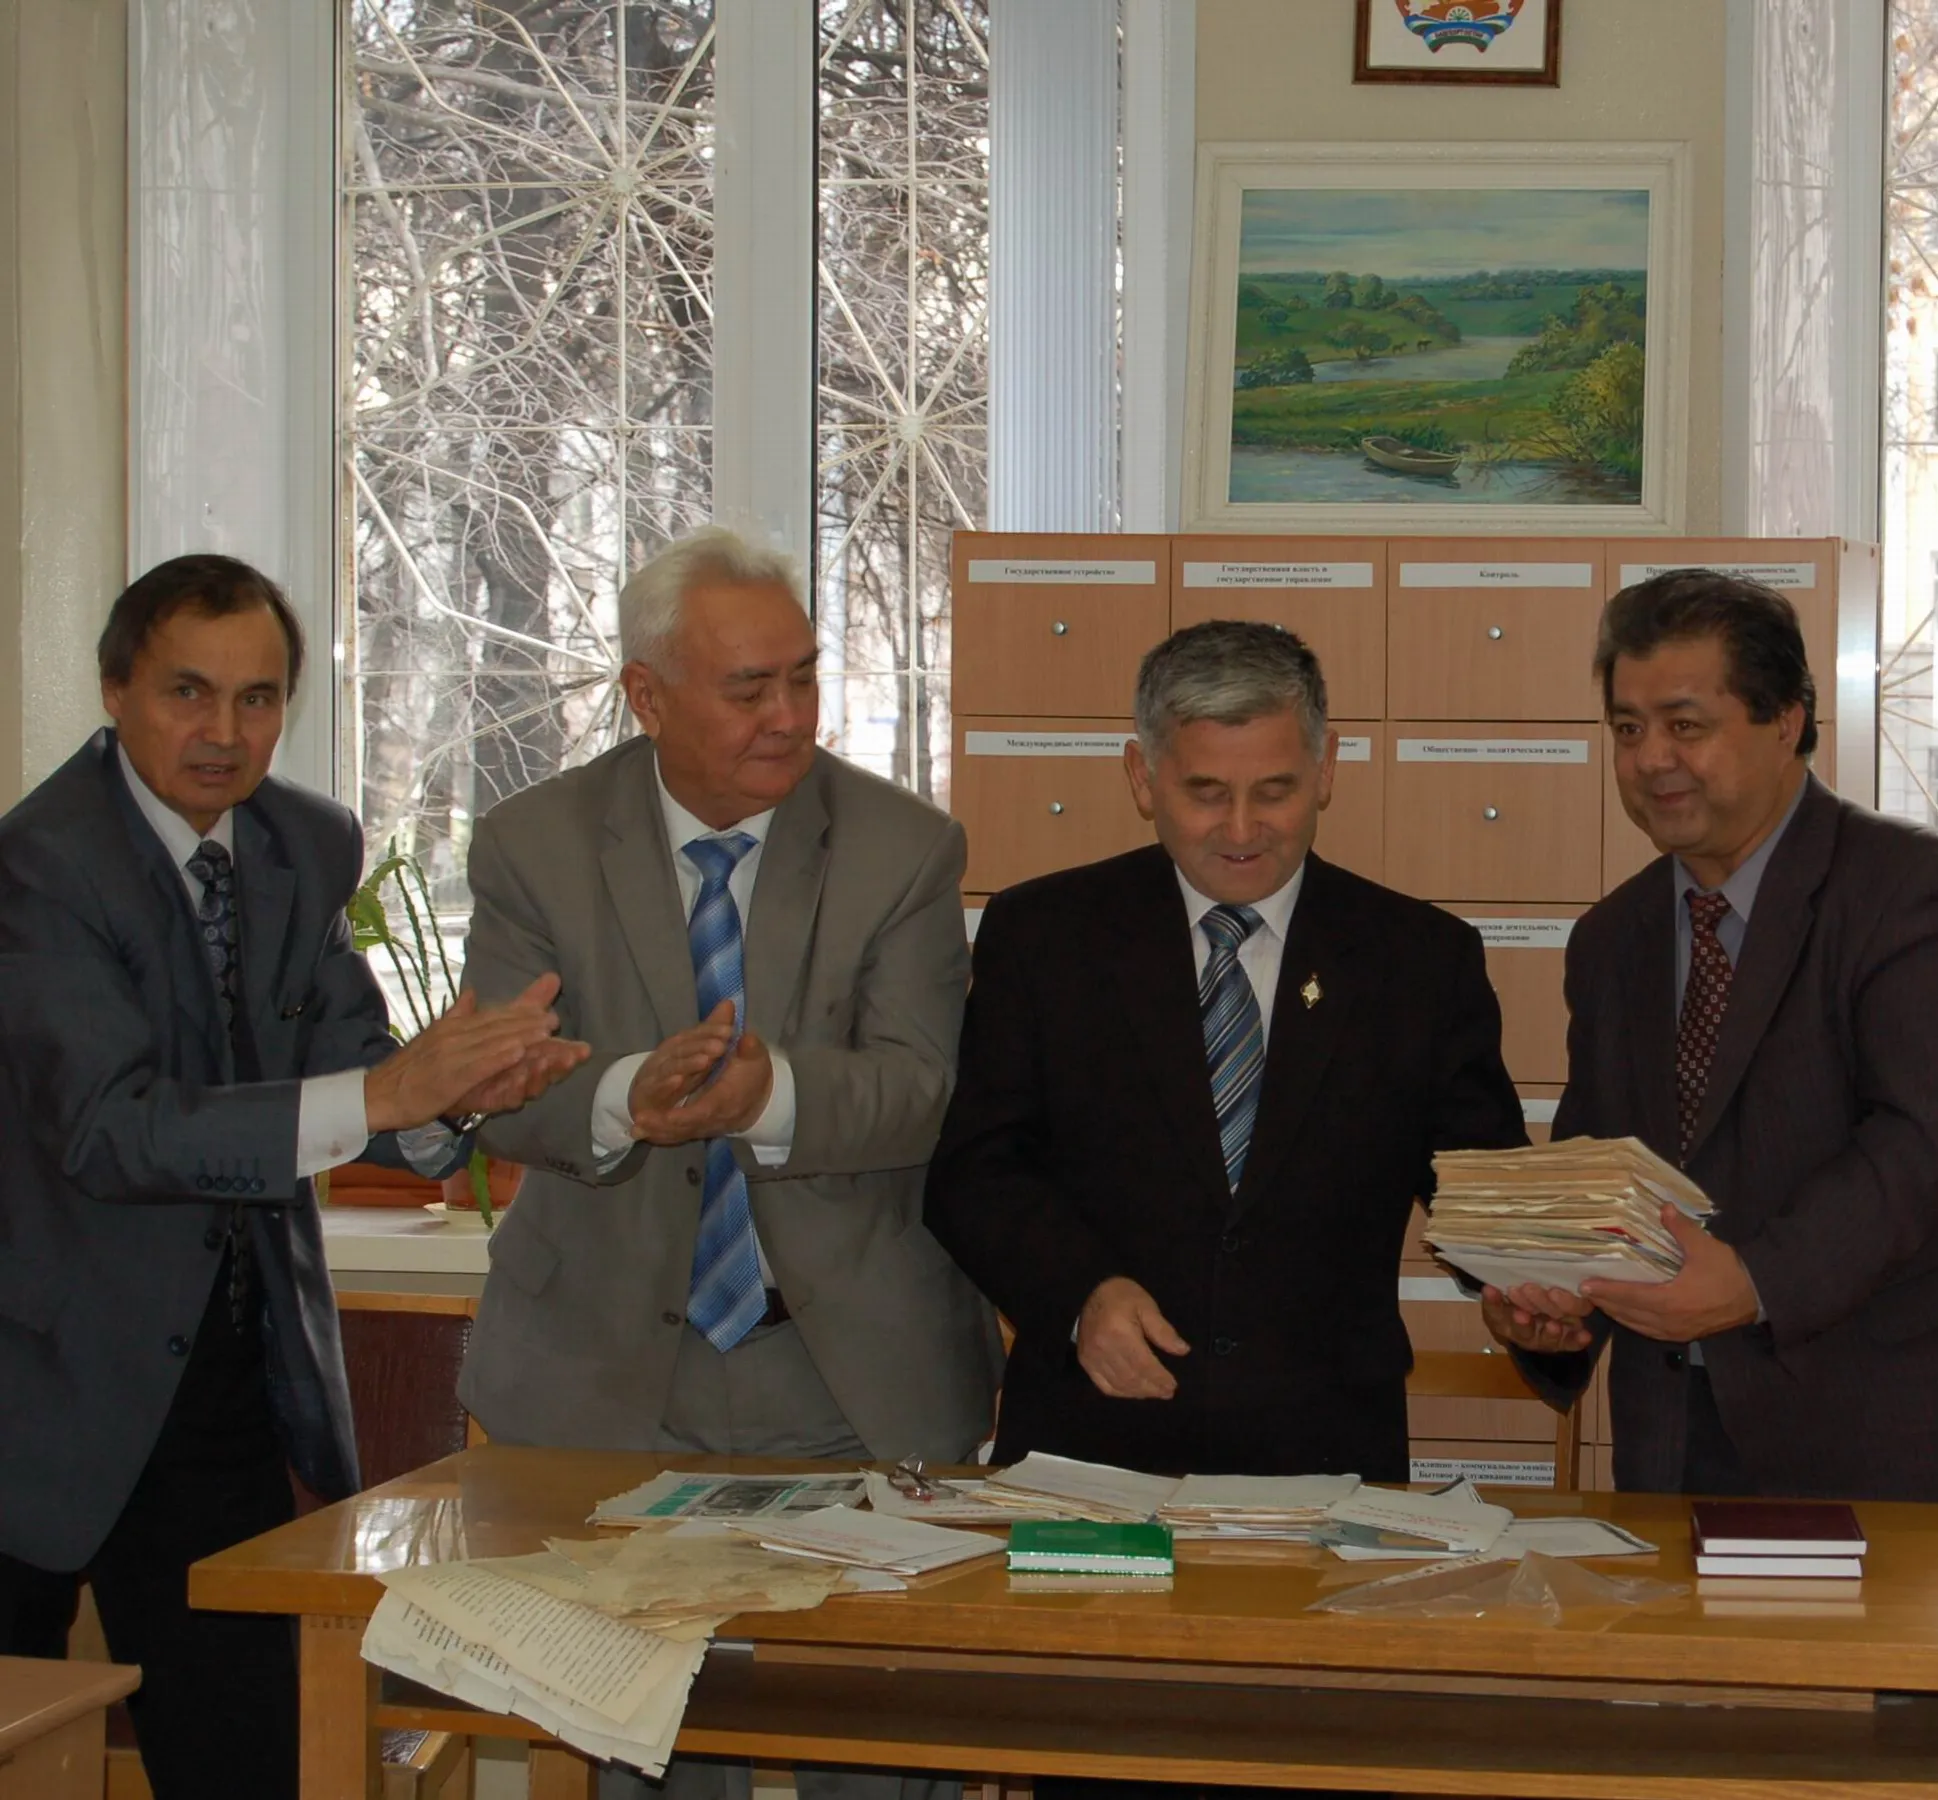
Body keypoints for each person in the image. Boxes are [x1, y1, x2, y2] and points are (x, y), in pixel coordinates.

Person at [0, 555, 585, 1799]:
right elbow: (111, 1132)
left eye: (258, 699)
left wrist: (456, 1097)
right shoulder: (41, 862)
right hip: (36, 1386)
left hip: (222, 1380)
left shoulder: (304, 843)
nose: (225, 733)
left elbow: (351, 1070)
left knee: (252, 1758)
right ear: (114, 690)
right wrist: (387, 1095)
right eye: (188, 693)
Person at [455, 526, 1000, 1800]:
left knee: (875, 1758)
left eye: (803, 677)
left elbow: (925, 1087)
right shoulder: (533, 846)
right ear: (645, 697)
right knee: (648, 1758)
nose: (788, 715)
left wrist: (771, 1096)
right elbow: (492, 1089)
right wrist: (620, 1099)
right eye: (749, 688)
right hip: (603, 1386)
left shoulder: (902, 848)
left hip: (846, 1382)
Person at [1475, 569, 1938, 1502]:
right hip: (1681, 1451)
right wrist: (1557, 1306)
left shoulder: (1917, 892)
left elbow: (1929, 1140)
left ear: (1786, 720)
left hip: (1902, 1444)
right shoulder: (1613, 939)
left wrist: (1753, 1280)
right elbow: (1606, 1168)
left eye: (1685, 725)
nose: (1650, 760)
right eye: (1627, 729)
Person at [927, 620, 1527, 1483]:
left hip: (1324, 1452)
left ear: (1326, 770)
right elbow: (975, 1174)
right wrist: (1079, 1295)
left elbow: (1482, 1187)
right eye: (1205, 792)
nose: (1241, 828)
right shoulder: (1044, 937)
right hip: (1091, 1443)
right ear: (1142, 777)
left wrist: (1538, 1292)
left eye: (1275, 790)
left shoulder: (1418, 961)